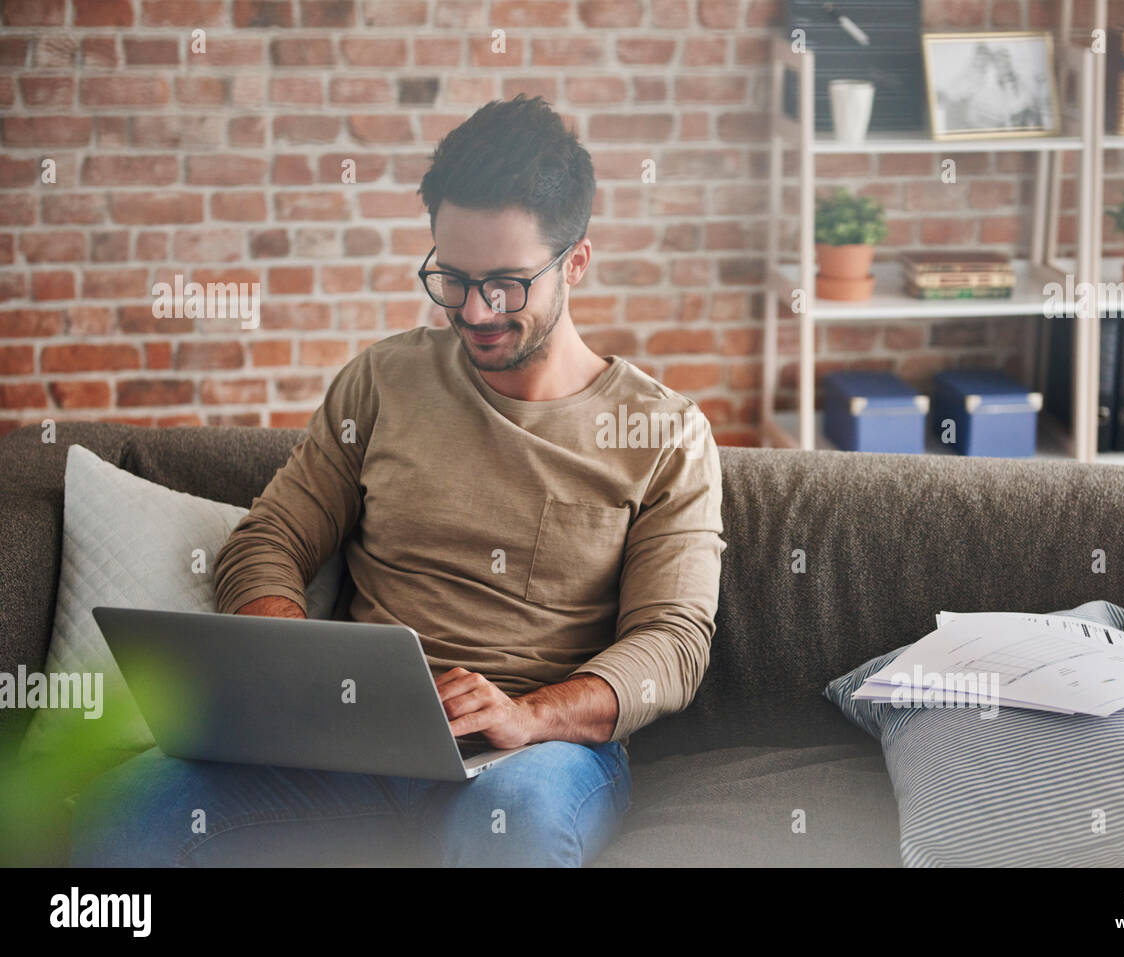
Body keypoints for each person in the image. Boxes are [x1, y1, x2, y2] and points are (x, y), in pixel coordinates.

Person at [70, 95, 727, 868]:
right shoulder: (386, 381)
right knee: (128, 816)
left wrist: (530, 712)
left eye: (508, 285)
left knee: (508, 829)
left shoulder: (667, 433)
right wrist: (286, 657)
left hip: (537, 756)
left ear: (575, 262)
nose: (475, 310)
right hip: (353, 743)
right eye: (453, 277)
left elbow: (673, 644)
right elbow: (270, 538)